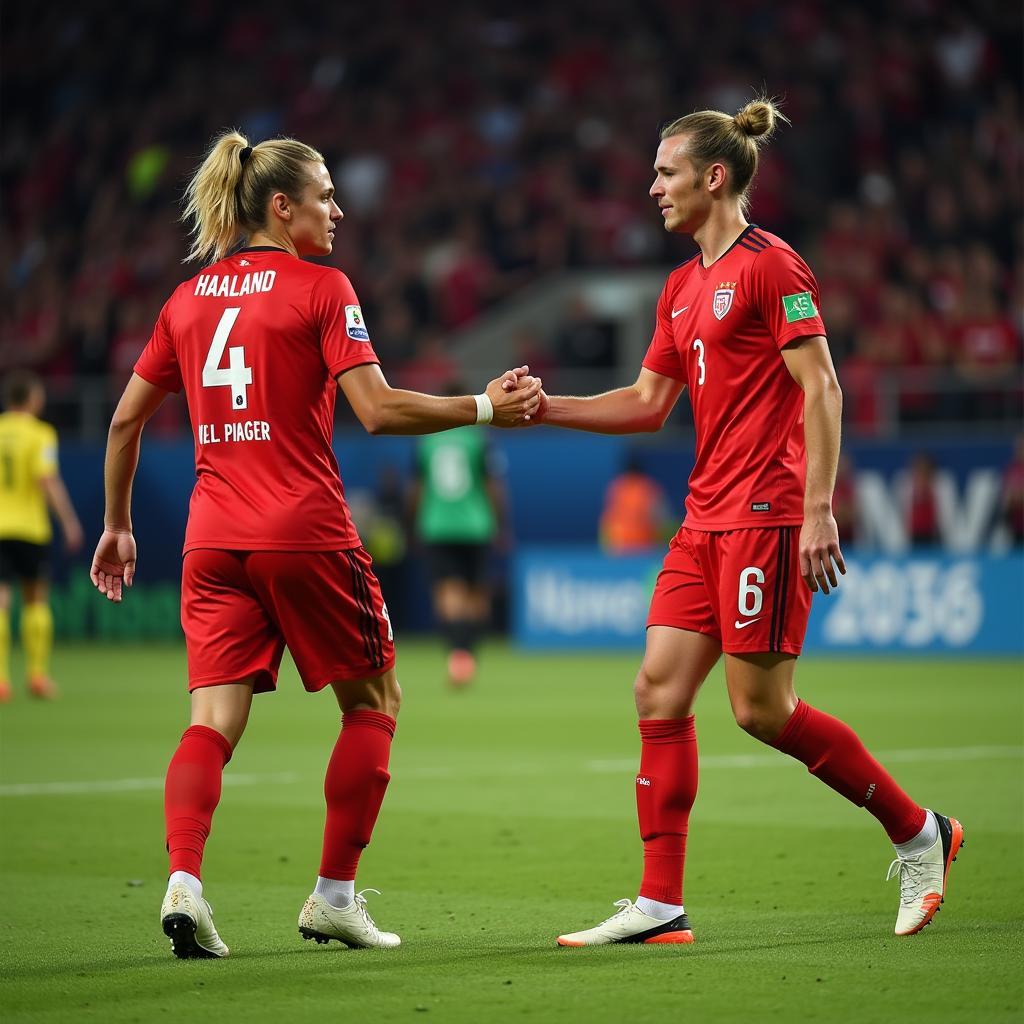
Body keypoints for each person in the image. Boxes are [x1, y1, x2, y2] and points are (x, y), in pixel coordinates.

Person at [509, 99, 962, 945]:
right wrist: (548, 409)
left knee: (761, 709)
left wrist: (818, 509)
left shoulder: (772, 266)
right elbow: (649, 404)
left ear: (714, 178)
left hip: (766, 513)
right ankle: (660, 904)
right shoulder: (681, 287)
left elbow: (821, 387)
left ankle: (919, 832)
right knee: (658, 689)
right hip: (703, 516)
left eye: (666, 173)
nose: (652, 189)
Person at [88, 130, 541, 960]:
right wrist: (481, 406)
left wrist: (117, 525)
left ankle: (184, 881)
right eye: (326, 195)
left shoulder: (184, 301)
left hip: (211, 539)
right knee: (374, 704)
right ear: (282, 207)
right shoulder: (321, 287)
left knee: (212, 721)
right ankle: (333, 897)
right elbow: (376, 410)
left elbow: (123, 420)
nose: (339, 209)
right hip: (302, 529)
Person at [410, 380, 509, 687]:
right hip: (475, 525)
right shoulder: (479, 439)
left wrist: (413, 522)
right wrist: (501, 523)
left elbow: (416, 488)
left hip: (438, 525)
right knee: (477, 595)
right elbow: (493, 485)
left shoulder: (428, 440)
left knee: (447, 594)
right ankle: (468, 655)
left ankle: (457, 655)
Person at [0, 370, 84, 702]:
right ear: (32, 398)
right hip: (30, 528)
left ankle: (2, 681)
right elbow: (46, 480)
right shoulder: (41, 434)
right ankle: (36, 675)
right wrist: (69, 522)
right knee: (36, 598)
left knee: (1, 601)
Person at [599, 452, 671, 554]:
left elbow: (607, 519)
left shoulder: (616, 487)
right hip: (643, 546)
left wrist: (607, 546)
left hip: (618, 546)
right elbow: (661, 518)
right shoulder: (648, 487)